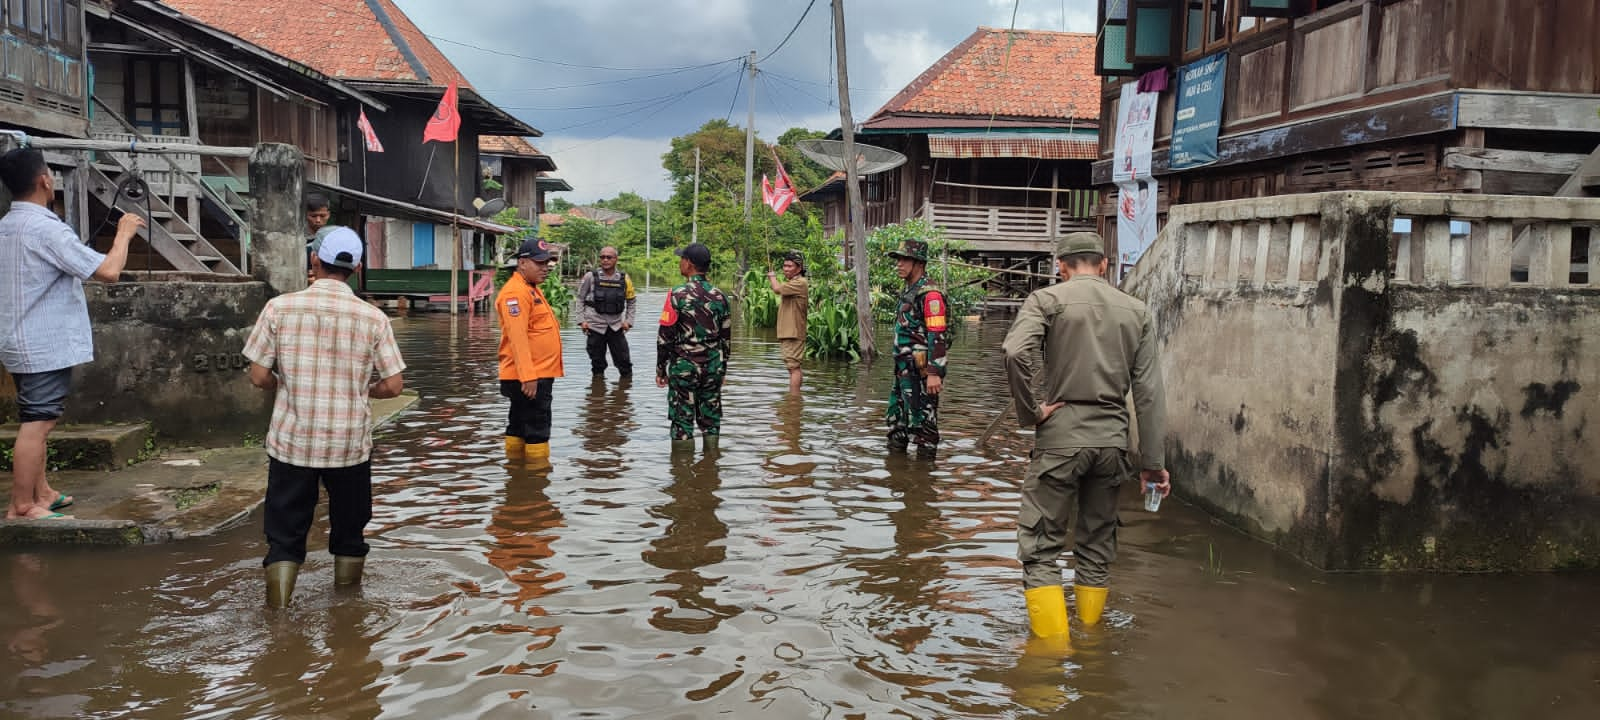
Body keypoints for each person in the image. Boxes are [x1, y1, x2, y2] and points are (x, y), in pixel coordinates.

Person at [1002, 231, 1168, 642]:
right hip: (1112, 444)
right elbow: (1149, 393)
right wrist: (1152, 464)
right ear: (1104, 265)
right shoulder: (1137, 311)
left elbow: (1014, 352)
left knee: (1041, 548)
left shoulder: (1047, 300)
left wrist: (1032, 412)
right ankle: (1091, 645)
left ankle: (1050, 658)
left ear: (1061, 266)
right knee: (1095, 547)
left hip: (1059, 438)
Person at [242, 226, 406, 608]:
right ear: (358, 268)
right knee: (350, 530)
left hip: (292, 443)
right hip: (348, 446)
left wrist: (286, 385)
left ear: (314, 260)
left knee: (284, 534)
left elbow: (259, 376)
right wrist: (365, 389)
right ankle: (347, 614)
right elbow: (394, 385)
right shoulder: (373, 318)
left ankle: (279, 617)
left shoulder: (280, 308)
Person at [0, 148, 145, 520]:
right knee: (38, 422)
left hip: (19, 337)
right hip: (42, 340)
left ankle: (42, 492)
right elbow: (109, 271)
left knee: (36, 416)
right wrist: (124, 233)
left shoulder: (8, 226)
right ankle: (22, 506)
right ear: (44, 181)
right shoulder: (45, 228)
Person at [656, 242, 730, 453]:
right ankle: (711, 467)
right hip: (713, 367)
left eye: (682, 259)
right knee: (711, 419)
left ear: (688, 264)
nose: (680, 262)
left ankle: (682, 477)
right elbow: (726, 339)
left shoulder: (676, 295)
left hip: (684, 367)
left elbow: (665, 337)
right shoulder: (721, 296)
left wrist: (661, 369)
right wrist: (722, 369)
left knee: (682, 420)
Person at [496, 237, 564, 465]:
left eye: (547, 263)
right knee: (537, 428)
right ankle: (535, 484)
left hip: (532, 374)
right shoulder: (515, 293)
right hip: (530, 376)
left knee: (518, 424)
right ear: (522, 263)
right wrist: (528, 376)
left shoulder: (529, 288)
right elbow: (518, 338)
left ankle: (516, 474)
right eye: (539, 263)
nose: (545, 268)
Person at [884, 238, 948, 457]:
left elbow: (937, 335)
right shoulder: (909, 291)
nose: (898, 264)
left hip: (921, 374)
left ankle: (924, 483)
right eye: (898, 259)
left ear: (918, 263)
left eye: (904, 260)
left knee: (924, 429)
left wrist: (934, 372)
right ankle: (898, 479)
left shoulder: (931, 295)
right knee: (896, 425)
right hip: (903, 370)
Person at [577, 245, 636, 377]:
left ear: (616, 259)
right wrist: (581, 321)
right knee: (597, 364)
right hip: (594, 326)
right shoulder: (590, 277)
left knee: (624, 362)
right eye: (602, 257)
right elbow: (580, 299)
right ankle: (598, 392)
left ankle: (624, 392)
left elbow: (631, 301)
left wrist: (629, 321)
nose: (605, 260)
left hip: (616, 326)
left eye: (609, 257)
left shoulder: (624, 278)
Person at [766, 250, 809, 394]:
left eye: (790, 266)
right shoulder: (794, 283)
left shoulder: (800, 283)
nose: (786, 269)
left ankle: (794, 400)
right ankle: (794, 399)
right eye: (784, 266)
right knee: (792, 367)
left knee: (794, 367)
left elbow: (777, 289)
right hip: (789, 332)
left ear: (799, 267)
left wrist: (772, 277)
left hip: (794, 333)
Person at [304, 193, 331, 283]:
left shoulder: (333, 240)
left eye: (322, 216)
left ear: (328, 215)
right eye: (313, 216)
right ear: (305, 215)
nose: (318, 220)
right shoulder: (298, 242)